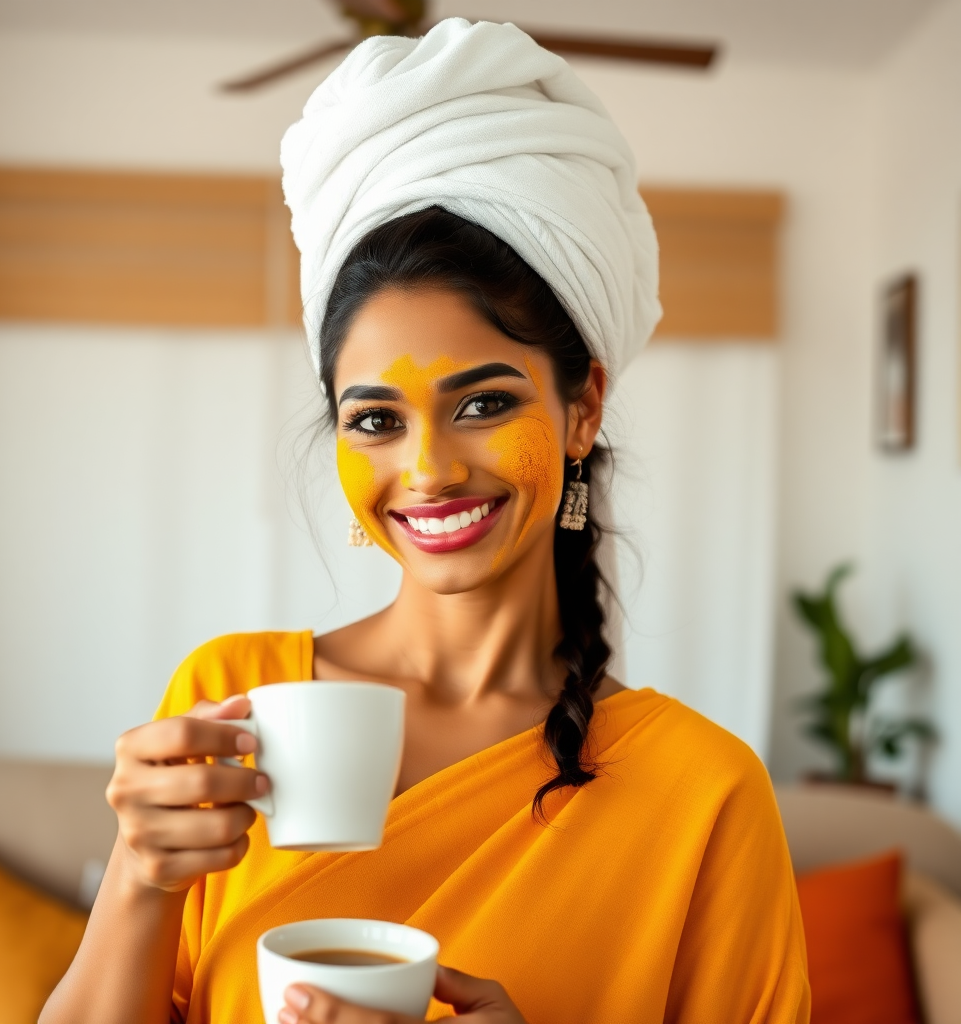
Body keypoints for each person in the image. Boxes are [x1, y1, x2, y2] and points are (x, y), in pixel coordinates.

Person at [41, 19, 808, 1024]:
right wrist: (141, 878)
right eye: (375, 419)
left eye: (484, 403)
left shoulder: (704, 794)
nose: (430, 469)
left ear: (581, 407)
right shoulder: (230, 702)